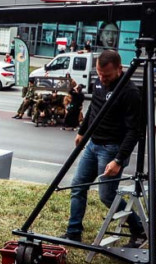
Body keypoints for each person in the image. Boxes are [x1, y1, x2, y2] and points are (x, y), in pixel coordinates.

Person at [62, 50, 145, 246]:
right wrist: (83, 131)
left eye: (106, 75)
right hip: (93, 145)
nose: (102, 78)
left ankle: (139, 228)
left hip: (112, 149)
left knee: (107, 196)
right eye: (99, 74)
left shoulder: (130, 92)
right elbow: (94, 108)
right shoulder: (99, 82)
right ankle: (73, 232)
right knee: (77, 186)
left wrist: (118, 160)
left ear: (119, 69)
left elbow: (135, 131)